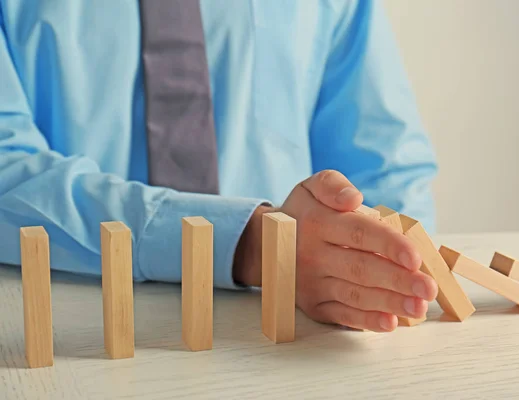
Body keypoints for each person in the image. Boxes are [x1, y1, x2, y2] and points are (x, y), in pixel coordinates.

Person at [0, 0, 439, 333]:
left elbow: (387, 172)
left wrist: (391, 283)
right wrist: (250, 244)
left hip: (293, 338)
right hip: (67, 335)